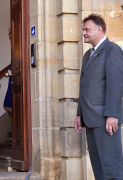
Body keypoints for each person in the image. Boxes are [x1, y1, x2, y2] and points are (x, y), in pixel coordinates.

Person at [74, 14, 123, 180]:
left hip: (105, 119)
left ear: (99, 30)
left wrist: (112, 115)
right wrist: (79, 114)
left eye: (87, 29)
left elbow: (116, 85)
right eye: (83, 30)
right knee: (98, 169)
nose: (84, 33)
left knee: (112, 168)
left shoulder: (112, 49)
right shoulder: (87, 55)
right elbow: (84, 87)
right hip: (89, 119)